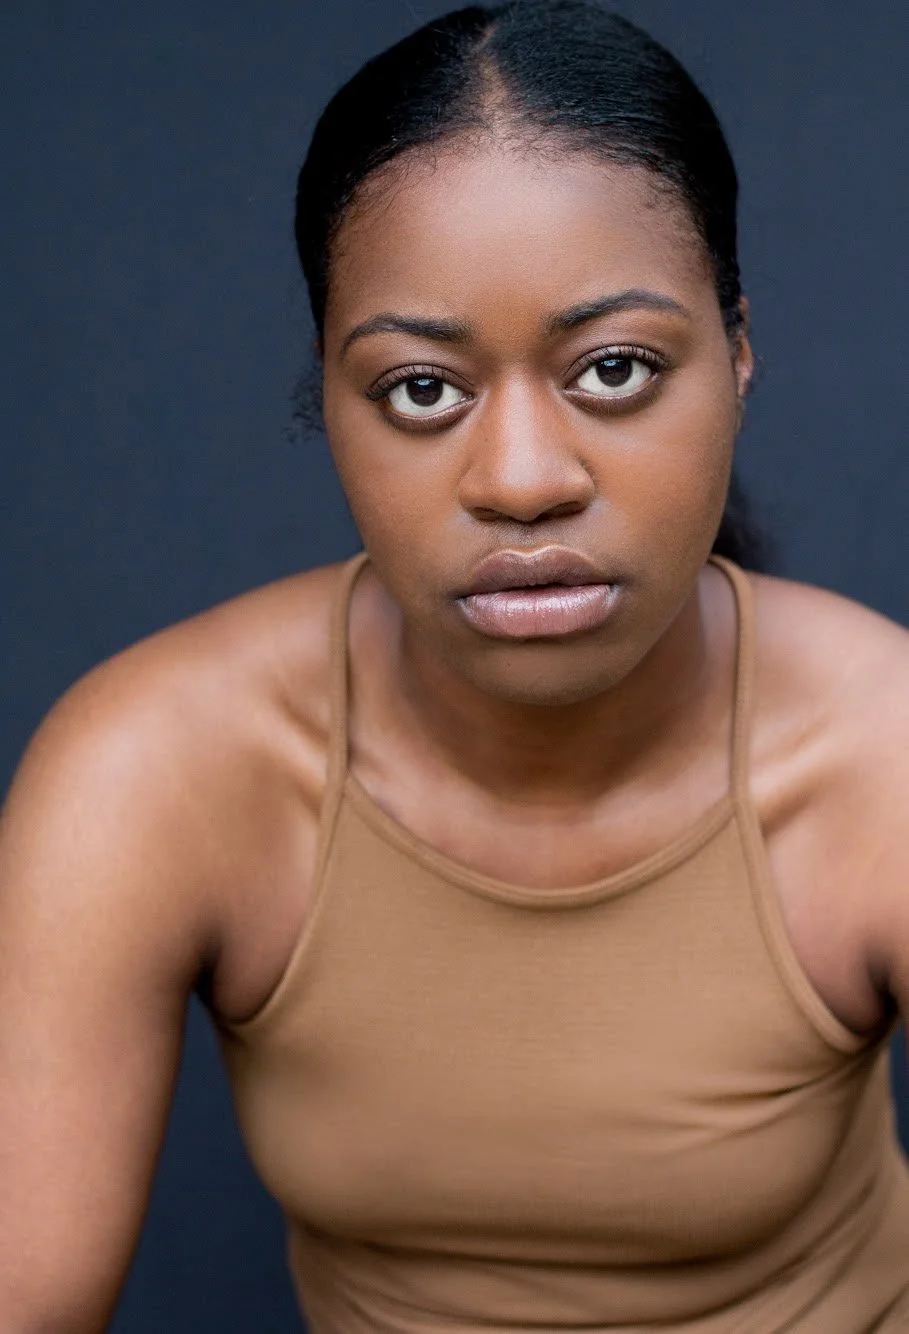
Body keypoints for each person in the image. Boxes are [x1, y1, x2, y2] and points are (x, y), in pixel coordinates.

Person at [1, 0, 907, 1328]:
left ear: (740, 355)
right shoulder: (160, 767)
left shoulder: (880, 756)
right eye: (423, 388)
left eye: (614, 368)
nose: (524, 481)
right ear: (327, 394)